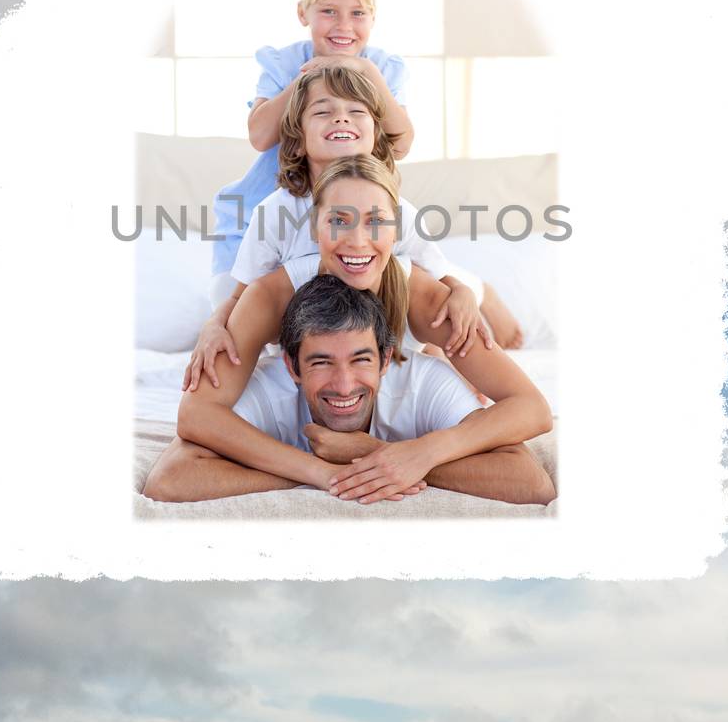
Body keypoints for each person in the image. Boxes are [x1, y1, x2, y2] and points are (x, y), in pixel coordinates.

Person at [164, 155, 553, 504]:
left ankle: (479, 292)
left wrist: (416, 453)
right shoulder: (271, 295)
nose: (357, 241)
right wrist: (319, 470)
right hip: (309, 380)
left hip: (412, 340)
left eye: (376, 222)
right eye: (338, 221)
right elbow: (198, 415)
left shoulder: (422, 296)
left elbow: (531, 408)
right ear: (314, 228)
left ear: (397, 231)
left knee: (450, 318)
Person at [184, 63, 494, 391]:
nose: (341, 118)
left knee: (456, 368)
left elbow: (441, 281)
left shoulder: (397, 211)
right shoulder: (275, 213)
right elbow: (240, 297)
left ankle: (446, 340)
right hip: (310, 351)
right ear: (298, 141)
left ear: (375, 138)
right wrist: (213, 325)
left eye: (355, 110)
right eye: (323, 112)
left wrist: (463, 293)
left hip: (386, 348)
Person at [143, 274, 555, 505]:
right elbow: (170, 480)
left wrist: (367, 452)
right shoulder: (266, 385)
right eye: (320, 362)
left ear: (385, 358)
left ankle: (481, 288)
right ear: (292, 366)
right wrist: (325, 474)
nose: (343, 385)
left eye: (361, 360)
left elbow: (531, 483)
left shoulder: (423, 381)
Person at [208, 0, 413, 291]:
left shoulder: (382, 68)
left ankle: (479, 295)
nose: (344, 25)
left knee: (400, 286)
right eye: (329, 11)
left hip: (344, 221)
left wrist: (366, 71)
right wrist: (307, 79)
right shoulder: (284, 62)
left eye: (357, 13)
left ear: (373, 17)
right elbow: (260, 136)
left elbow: (402, 143)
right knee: (230, 299)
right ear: (303, 13)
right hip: (269, 216)